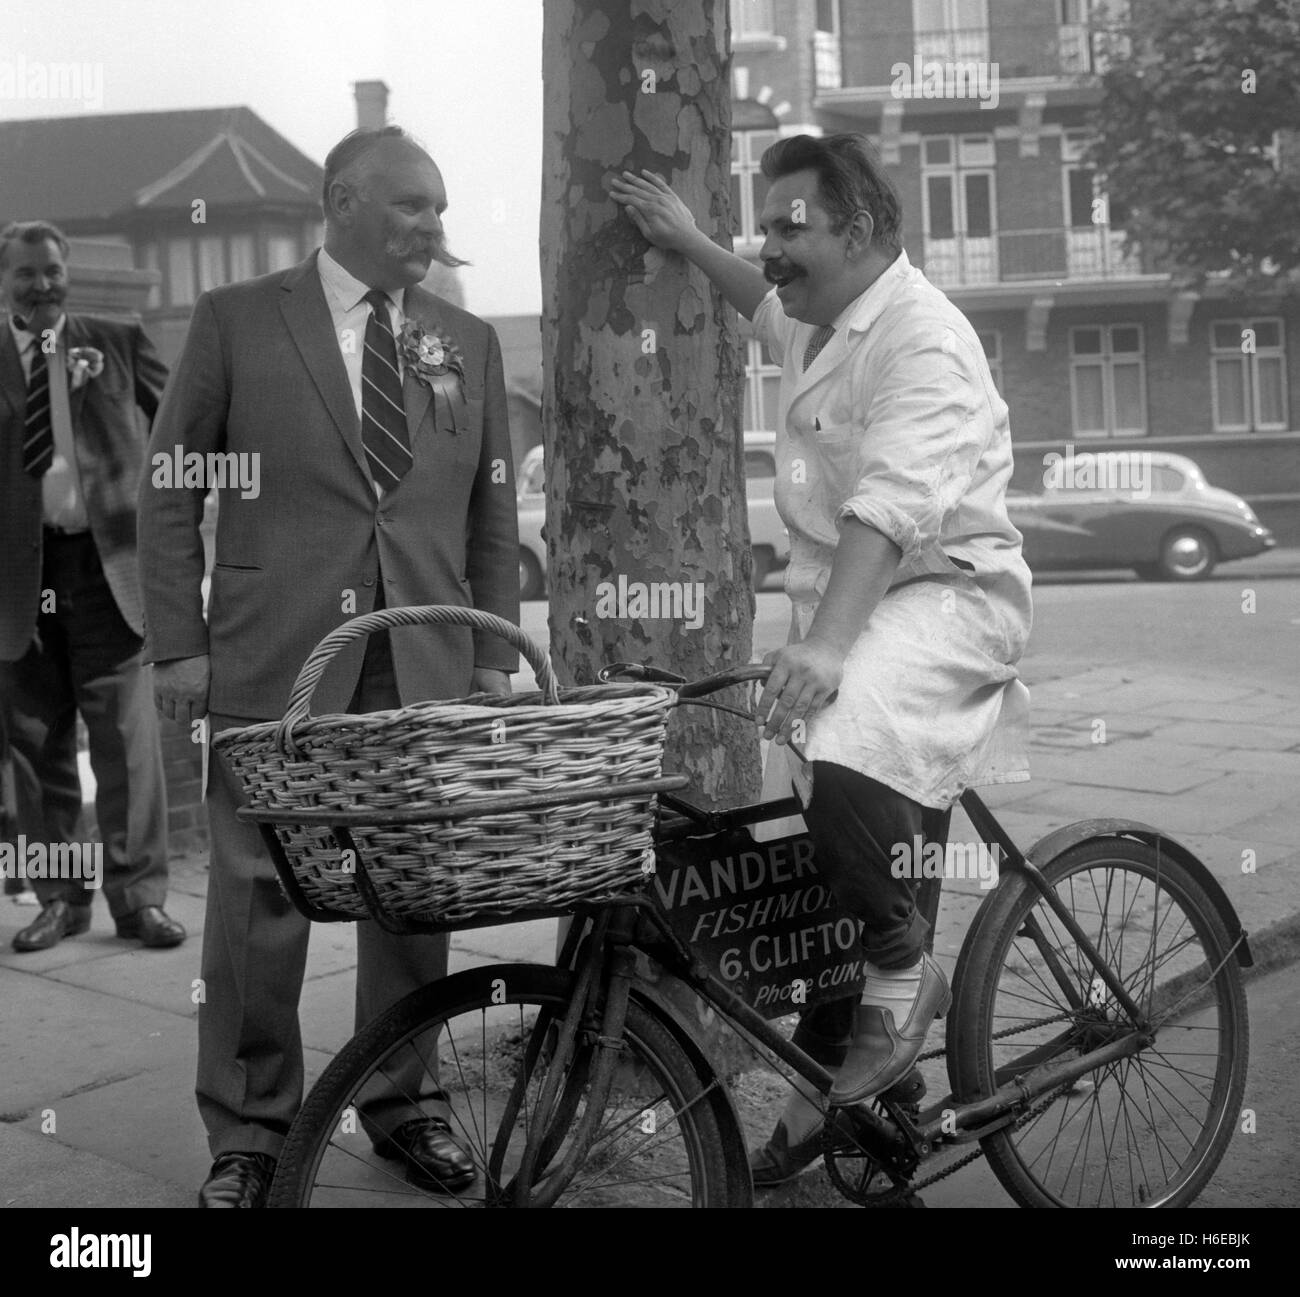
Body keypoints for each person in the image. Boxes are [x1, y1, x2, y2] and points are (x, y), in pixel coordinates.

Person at [610, 134, 1032, 1184]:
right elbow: (760, 297)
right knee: (844, 842)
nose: (775, 244)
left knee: (833, 738)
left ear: (864, 231)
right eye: (770, 224)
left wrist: (830, 646)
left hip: (947, 592)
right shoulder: (824, 315)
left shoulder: (923, 339)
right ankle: (870, 1099)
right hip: (866, 597)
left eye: (794, 225)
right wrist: (692, 239)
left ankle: (901, 974)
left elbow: (889, 506)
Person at [138, 126, 519, 1207]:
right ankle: (250, 1132)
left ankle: (403, 1101)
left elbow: (491, 509)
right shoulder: (236, 322)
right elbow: (171, 488)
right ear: (344, 201)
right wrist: (179, 644)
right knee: (258, 903)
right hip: (276, 658)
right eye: (411, 208)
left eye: (439, 210)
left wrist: (491, 650)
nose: (434, 229)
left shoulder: (467, 340)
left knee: (414, 895)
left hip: (425, 659)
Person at [0, 221, 184, 954]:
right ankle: (59, 901)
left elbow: (182, 434)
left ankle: (139, 900)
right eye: (25, 274)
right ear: (4, 281)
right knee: (35, 749)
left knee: (127, 746)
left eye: (51, 271)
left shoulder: (116, 337)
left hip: (108, 572)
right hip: (18, 580)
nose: (41, 285)